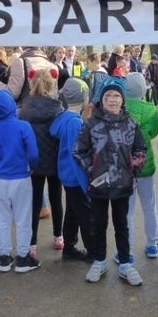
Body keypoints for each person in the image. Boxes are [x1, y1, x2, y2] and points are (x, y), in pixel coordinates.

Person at [74, 78, 147, 286]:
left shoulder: (131, 124)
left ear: (123, 100)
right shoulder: (91, 124)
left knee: (121, 224)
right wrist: (92, 170)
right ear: (102, 99)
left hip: (122, 185)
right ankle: (99, 260)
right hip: (98, 185)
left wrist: (132, 169)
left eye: (116, 96)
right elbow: (79, 151)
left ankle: (125, 263)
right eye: (108, 96)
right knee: (98, 224)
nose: (112, 100)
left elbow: (140, 150)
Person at [0, 90, 41, 273]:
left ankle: (4, 256)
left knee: (2, 219)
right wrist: (32, 166)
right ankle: (23, 257)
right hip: (21, 177)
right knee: (23, 219)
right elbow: (33, 153)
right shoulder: (23, 126)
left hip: (1, 179)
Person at [19, 69, 64, 258]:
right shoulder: (58, 109)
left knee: (35, 200)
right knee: (56, 197)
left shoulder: (24, 110)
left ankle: (32, 244)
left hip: (33, 160)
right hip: (54, 159)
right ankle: (58, 236)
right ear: (53, 85)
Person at [50, 78, 94, 261]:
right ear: (84, 97)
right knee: (86, 215)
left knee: (73, 212)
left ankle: (69, 246)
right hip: (76, 177)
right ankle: (93, 251)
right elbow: (76, 155)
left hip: (67, 176)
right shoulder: (75, 123)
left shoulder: (65, 117)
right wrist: (86, 183)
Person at [123, 73, 158, 260]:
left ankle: (127, 251)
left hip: (124, 167)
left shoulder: (120, 109)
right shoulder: (151, 110)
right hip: (145, 164)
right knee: (149, 205)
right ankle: (152, 244)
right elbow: (154, 132)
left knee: (127, 211)